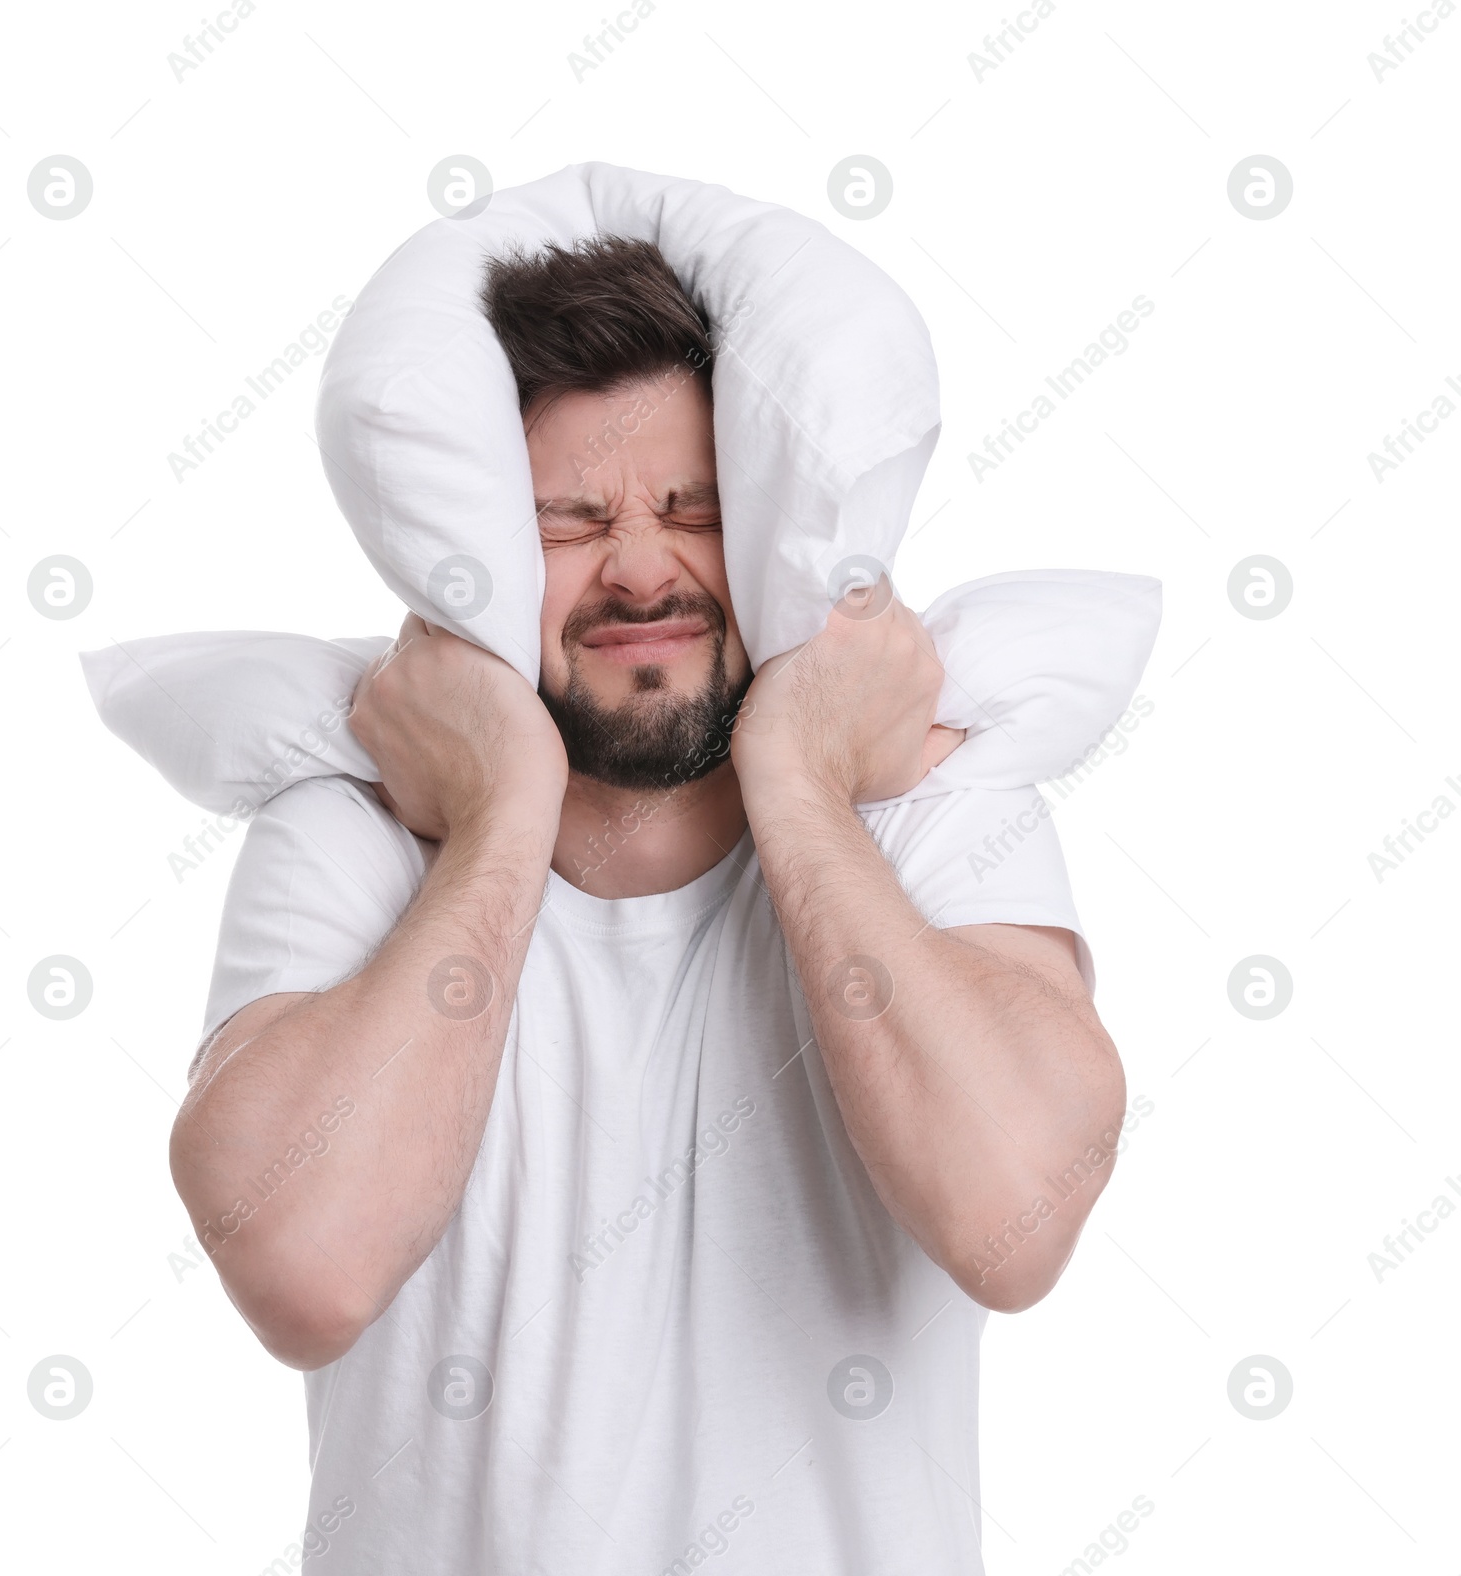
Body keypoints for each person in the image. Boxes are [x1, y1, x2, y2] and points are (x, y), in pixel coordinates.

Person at [169, 237, 1127, 1574]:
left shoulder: (932, 818)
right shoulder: (353, 836)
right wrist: (503, 810)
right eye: (569, 522)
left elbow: (1012, 1220)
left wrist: (797, 782)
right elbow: (303, 1272)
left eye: (698, 512)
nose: (637, 571)